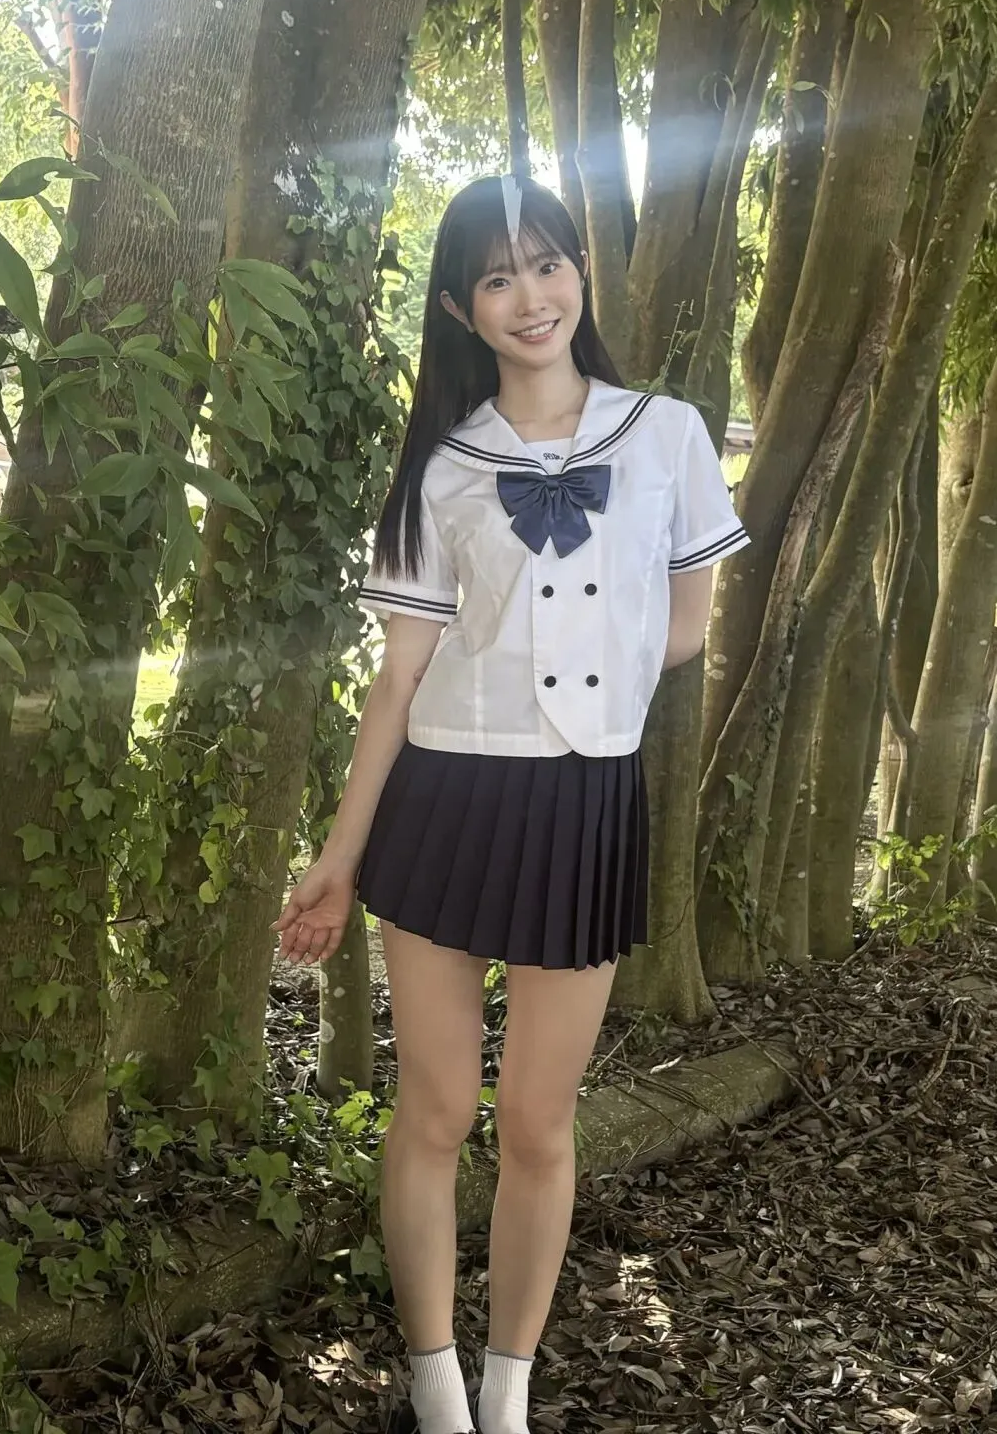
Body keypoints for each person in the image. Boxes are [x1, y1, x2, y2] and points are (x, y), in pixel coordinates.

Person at [272, 175, 750, 1434]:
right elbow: (398, 678)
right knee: (435, 1110)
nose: (530, 296)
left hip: (585, 805)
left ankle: (509, 1387)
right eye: (497, 277)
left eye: (547, 264)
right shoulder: (443, 465)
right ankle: (436, 1383)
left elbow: (686, 626)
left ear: (581, 273)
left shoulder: (668, 435)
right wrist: (338, 856)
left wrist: (582, 694)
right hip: (443, 799)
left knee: (539, 1123)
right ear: (460, 308)